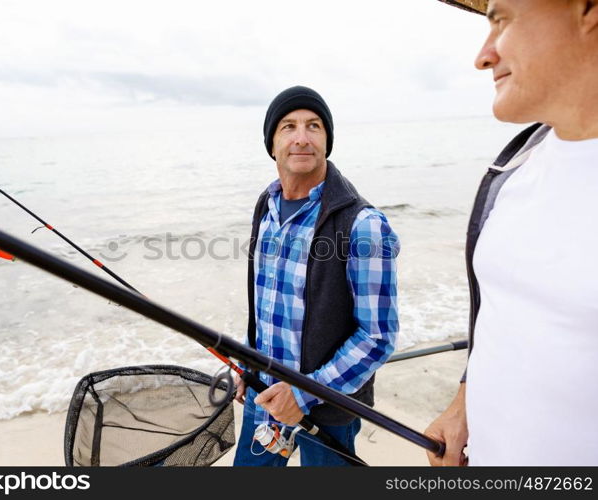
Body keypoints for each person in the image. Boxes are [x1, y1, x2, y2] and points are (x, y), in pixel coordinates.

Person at [426, 0, 598, 466]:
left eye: (500, 19)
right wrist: (463, 406)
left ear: (588, 10)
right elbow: (502, 319)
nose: (483, 55)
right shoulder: (511, 168)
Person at [232, 86, 400, 466]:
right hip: (265, 397)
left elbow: (376, 337)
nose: (301, 138)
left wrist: (303, 394)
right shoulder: (267, 206)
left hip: (327, 409)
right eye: (288, 127)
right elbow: (265, 304)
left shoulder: (364, 225)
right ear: (272, 144)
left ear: (327, 140)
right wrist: (246, 365)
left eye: (314, 126)